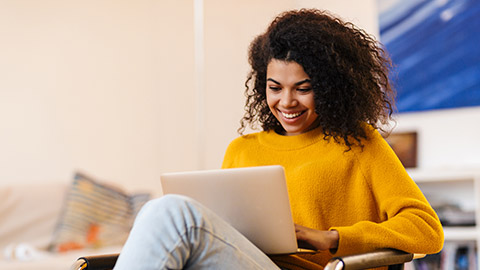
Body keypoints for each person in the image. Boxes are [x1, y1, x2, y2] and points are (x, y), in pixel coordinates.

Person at [113, 8, 444, 270]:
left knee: (171, 212)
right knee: (160, 213)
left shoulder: (358, 143)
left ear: (329, 87)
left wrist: (332, 238)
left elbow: (427, 230)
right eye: (275, 88)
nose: (286, 102)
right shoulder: (241, 150)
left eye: (303, 88)